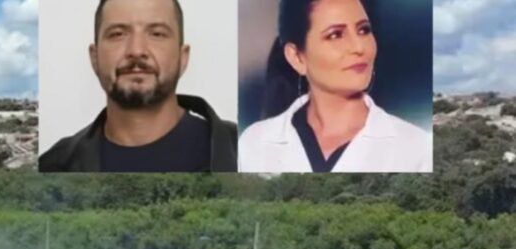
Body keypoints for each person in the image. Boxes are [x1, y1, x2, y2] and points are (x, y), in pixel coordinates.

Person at [38, 0, 237, 173]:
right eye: (117, 34)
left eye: (157, 34)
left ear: (182, 58)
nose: (136, 50)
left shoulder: (246, 151)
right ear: (95, 57)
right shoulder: (52, 165)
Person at [238, 0, 431, 173]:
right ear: (296, 57)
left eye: (363, 30)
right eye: (335, 35)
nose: (359, 47)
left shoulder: (417, 148)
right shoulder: (254, 143)